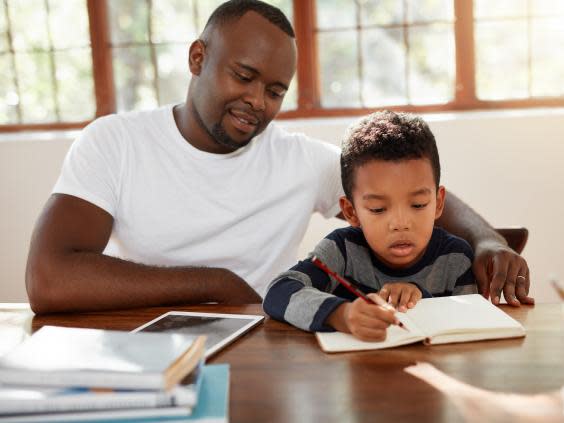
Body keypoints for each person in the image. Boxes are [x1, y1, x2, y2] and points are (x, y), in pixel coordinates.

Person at [25, 0, 533, 315]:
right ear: (197, 58)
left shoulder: (297, 159)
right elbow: (49, 279)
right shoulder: (115, 142)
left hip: (265, 340)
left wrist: (487, 242)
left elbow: (406, 190)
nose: (257, 103)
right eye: (243, 77)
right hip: (151, 341)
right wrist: (216, 284)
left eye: (275, 90)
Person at [263, 111, 480, 340]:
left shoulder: (456, 258)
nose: (400, 224)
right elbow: (278, 293)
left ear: (438, 203)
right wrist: (341, 315)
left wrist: (421, 299)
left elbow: (469, 326)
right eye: (378, 209)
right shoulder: (342, 251)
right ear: (351, 212)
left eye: (418, 205)